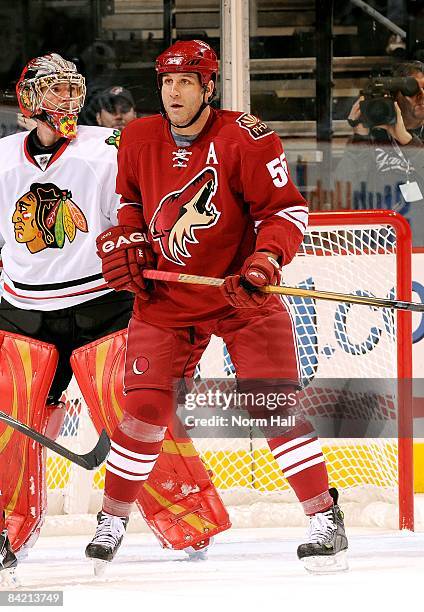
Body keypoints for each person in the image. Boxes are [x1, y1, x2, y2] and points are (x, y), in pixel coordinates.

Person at [88, 39, 348, 574]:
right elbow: (130, 206)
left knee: (271, 404)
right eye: (165, 82)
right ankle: (112, 519)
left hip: (238, 295)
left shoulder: (246, 138)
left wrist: (265, 263)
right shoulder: (137, 137)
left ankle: (325, 517)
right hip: (166, 299)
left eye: (185, 82)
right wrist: (126, 243)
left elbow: (287, 213)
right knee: (143, 411)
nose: (173, 91)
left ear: (209, 87)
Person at [0, 52, 134, 584]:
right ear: (29, 99)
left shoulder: (108, 148)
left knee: (132, 418)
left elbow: (144, 205)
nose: (66, 101)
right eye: (53, 91)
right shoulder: (3, 156)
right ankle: (8, 527)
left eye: (70, 89)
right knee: (12, 424)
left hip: (100, 304)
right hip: (23, 310)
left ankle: (189, 517)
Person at [333, 60, 424, 246]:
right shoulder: (373, 135)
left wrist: (406, 140)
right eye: (413, 91)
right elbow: (343, 189)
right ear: (396, 96)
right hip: (378, 245)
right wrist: (359, 136)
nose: (421, 97)